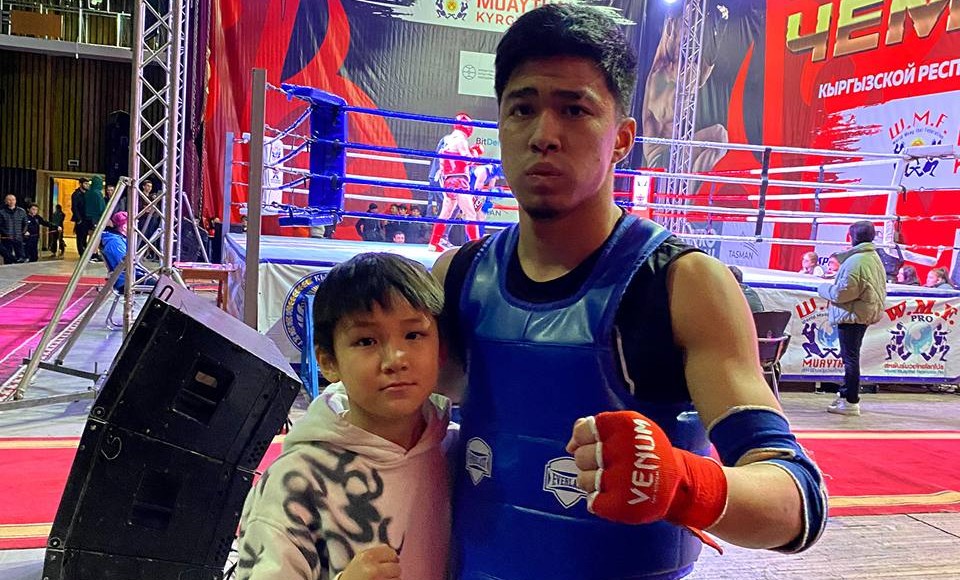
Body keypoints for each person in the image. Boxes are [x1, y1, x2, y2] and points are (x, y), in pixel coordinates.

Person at [431, 6, 826, 579]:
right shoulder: (458, 278)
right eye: (522, 109)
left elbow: (798, 502)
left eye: (575, 109)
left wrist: (683, 483)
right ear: (501, 128)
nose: (544, 135)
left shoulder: (683, 286)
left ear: (621, 139)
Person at [236, 253, 454, 580]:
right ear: (328, 361)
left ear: (442, 349)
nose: (395, 359)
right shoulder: (297, 482)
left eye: (413, 335)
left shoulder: (457, 456)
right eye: (366, 341)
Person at [818, 221, 887, 417]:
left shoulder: (856, 261)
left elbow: (842, 293)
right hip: (861, 312)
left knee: (850, 358)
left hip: (852, 315)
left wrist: (823, 288)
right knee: (851, 356)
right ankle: (846, 394)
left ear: (851, 237)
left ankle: (850, 400)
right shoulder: (872, 258)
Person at [427, 113, 482, 252]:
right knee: (470, 214)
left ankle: (433, 243)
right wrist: (476, 152)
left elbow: (444, 162)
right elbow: (467, 160)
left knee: (445, 213)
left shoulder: (447, 141)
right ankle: (476, 246)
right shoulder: (461, 140)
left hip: (448, 180)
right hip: (459, 180)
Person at [100, 212, 154, 292]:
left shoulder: (118, 240)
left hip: (131, 276)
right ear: (124, 227)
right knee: (163, 286)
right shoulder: (115, 242)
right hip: (127, 280)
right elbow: (126, 263)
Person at [0, 194, 28, 264]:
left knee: (21, 257)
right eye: (9, 200)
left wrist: (23, 232)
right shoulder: (1, 212)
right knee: (8, 258)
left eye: (13, 200)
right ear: (6, 201)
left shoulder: (21, 211)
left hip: (18, 237)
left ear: (15, 201)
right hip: (7, 238)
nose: (11, 201)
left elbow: (25, 223)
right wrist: (6, 233)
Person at [70, 177, 90, 256]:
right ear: (81, 184)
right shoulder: (76, 194)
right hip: (80, 219)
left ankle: (85, 252)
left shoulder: (88, 193)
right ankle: (81, 253)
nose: (87, 185)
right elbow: (74, 207)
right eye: (85, 183)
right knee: (80, 237)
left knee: (85, 236)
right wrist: (78, 219)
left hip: (87, 218)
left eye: (88, 184)